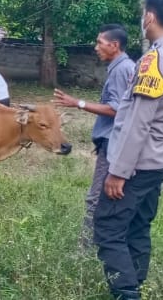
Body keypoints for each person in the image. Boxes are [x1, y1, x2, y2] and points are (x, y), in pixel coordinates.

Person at [94, 0, 163, 300]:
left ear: (149, 17)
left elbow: (139, 119)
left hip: (140, 163)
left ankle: (127, 293)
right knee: (138, 224)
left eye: (143, 14)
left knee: (108, 227)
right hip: (162, 159)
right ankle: (135, 282)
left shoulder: (156, 58)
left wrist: (118, 172)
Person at [52, 24, 135, 249]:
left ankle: (85, 251)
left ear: (114, 45)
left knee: (96, 198)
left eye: (100, 42)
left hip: (112, 141)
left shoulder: (121, 69)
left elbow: (117, 109)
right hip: (116, 141)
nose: (96, 47)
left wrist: (77, 103)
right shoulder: (124, 66)